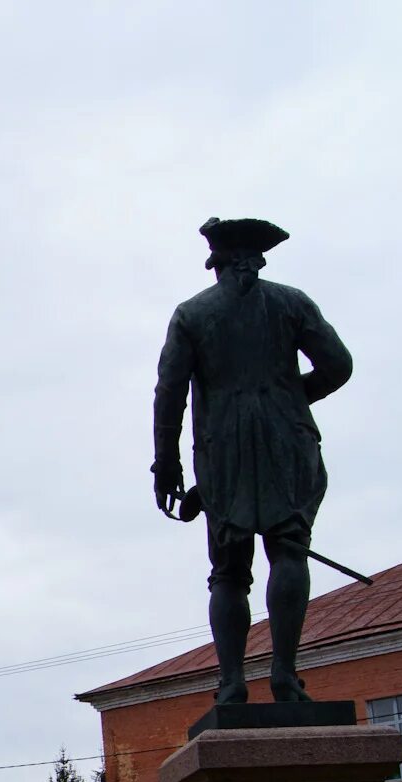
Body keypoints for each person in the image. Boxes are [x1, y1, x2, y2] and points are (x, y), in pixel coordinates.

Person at [152, 217, 353, 704]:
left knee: (228, 569)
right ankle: (284, 674)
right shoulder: (291, 302)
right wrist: (291, 399)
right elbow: (339, 366)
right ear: (256, 261)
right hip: (289, 441)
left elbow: (169, 393)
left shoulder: (192, 314)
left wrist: (167, 462)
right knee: (288, 551)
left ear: (218, 263)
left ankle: (231, 683)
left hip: (223, 451)